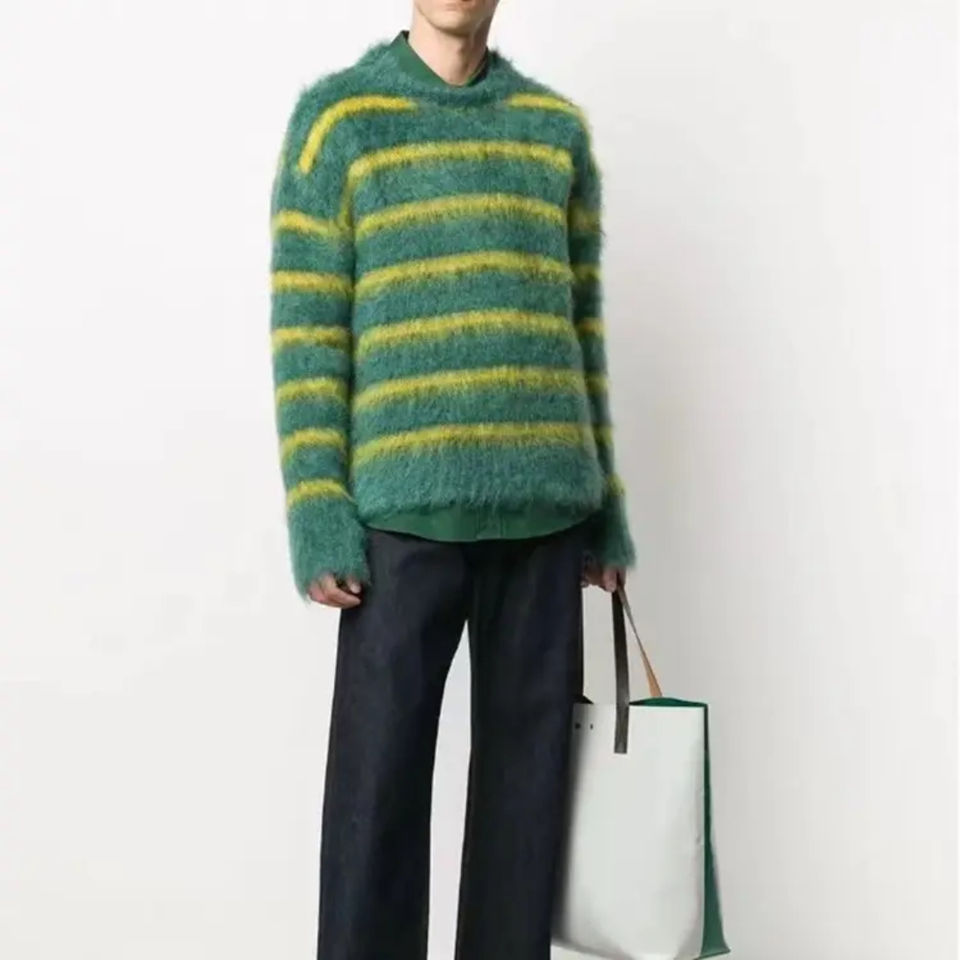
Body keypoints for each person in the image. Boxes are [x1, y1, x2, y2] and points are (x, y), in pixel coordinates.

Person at [267, 2, 635, 957]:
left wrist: (605, 510)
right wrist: (318, 511)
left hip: (545, 522)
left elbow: (582, 331)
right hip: (399, 530)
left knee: (526, 823)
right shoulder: (339, 123)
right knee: (375, 811)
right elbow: (308, 333)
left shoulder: (553, 132)